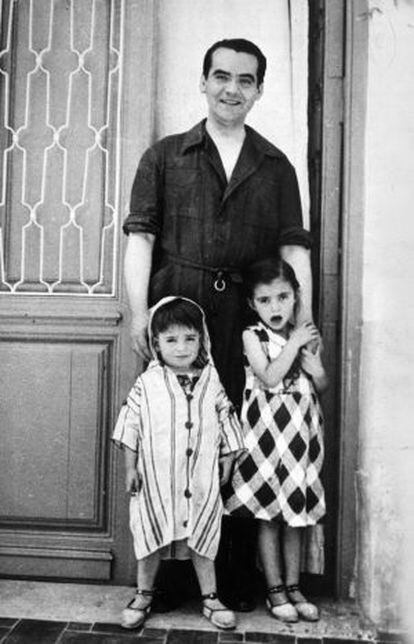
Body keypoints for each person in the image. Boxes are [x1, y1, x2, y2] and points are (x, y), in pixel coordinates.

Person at [122, 37, 313, 610]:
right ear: (203, 82)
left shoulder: (275, 165)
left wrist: (299, 328)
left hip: (248, 321)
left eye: (246, 80)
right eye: (222, 76)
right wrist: (139, 312)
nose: (233, 89)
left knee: (237, 440)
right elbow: (142, 238)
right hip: (180, 313)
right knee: (174, 437)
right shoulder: (164, 156)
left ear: (259, 89)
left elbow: (294, 248)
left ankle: (231, 578)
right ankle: (164, 583)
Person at [113, 296, 245, 630]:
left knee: (202, 536)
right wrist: (130, 468)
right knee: (150, 536)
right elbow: (131, 424)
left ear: (202, 339)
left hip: (200, 477)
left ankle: (211, 598)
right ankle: (143, 594)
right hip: (156, 478)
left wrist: (228, 457)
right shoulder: (148, 382)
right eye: (171, 340)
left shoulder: (210, 380)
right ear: (156, 342)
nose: (182, 348)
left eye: (190, 338)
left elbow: (226, 416)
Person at [223, 257, 328, 623]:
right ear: (253, 304)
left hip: (299, 436)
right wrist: (295, 343)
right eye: (265, 300)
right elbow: (269, 377)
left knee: (295, 516)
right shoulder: (253, 336)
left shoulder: (306, 336)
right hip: (265, 439)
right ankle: (274, 588)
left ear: (296, 297)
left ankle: (295, 586)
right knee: (268, 514)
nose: (276, 307)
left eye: (283, 297)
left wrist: (317, 370)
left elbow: (320, 386)